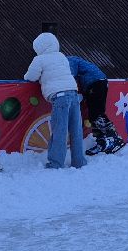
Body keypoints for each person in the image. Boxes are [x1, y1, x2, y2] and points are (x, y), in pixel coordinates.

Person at [24, 31, 87, 169]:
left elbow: (31, 77)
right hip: (74, 93)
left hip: (60, 97)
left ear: (39, 47)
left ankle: (55, 163)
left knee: (60, 130)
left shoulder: (39, 59)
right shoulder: (61, 56)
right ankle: (79, 161)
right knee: (76, 129)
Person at [67, 54, 125, 156]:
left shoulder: (69, 60)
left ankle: (114, 139)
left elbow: (71, 77)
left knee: (97, 113)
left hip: (95, 83)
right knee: (94, 115)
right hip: (96, 82)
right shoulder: (75, 60)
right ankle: (102, 142)